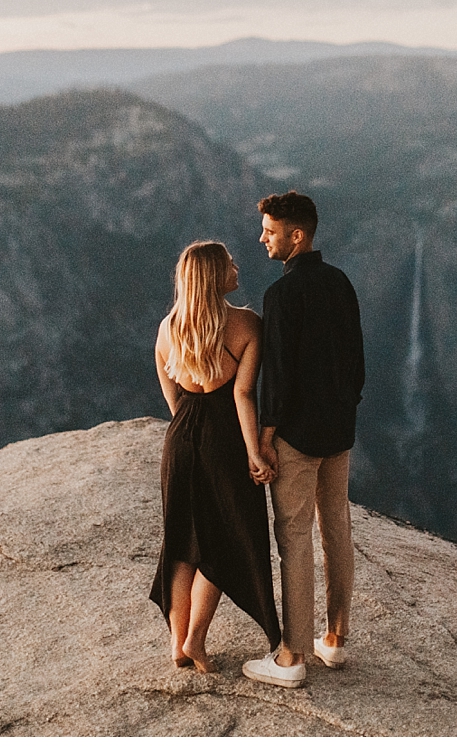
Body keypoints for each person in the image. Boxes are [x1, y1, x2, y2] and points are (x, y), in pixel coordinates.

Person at [242, 191, 365, 690]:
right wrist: (344, 409)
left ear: (297, 235)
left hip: (295, 434)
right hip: (339, 432)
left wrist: (265, 437)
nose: (262, 239)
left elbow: (279, 377)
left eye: (270, 232)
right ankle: (334, 639)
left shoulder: (281, 296)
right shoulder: (341, 283)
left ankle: (291, 655)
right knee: (336, 527)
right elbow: (357, 363)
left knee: (294, 536)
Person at [149, 240, 281, 673]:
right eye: (228, 263)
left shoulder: (168, 328)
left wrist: (190, 434)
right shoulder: (247, 325)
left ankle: (175, 644)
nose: (236, 266)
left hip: (181, 440)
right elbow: (243, 395)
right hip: (225, 442)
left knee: (182, 544)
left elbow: (174, 400)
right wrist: (255, 453)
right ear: (213, 277)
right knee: (224, 542)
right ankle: (196, 640)